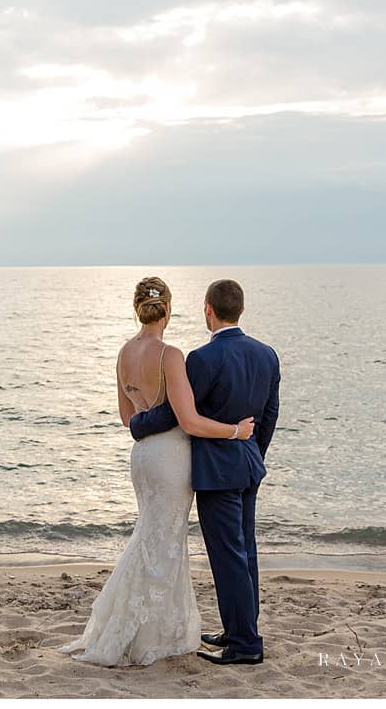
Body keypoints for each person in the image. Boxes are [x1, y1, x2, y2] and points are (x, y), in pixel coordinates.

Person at [58, 276, 256, 667]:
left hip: (143, 456)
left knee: (150, 534)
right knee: (165, 540)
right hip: (170, 458)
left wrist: (146, 420)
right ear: (167, 309)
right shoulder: (170, 355)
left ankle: (135, 624)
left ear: (138, 308)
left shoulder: (123, 354)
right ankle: (152, 632)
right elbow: (190, 421)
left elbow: (127, 417)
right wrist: (236, 431)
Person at [130, 278, 280, 666]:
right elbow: (269, 415)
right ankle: (238, 628)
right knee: (245, 550)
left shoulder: (202, 359)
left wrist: (138, 425)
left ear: (208, 311)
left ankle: (245, 643)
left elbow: (179, 415)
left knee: (228, 555)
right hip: (248, 464)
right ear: (240, 311)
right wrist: (251, 452)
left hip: (216, 470)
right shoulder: (267, 355)